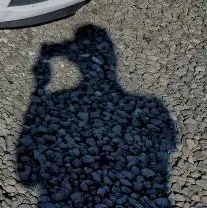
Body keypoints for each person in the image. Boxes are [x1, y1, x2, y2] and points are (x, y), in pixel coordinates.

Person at [16, 25, 177, 207]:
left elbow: (26, 177)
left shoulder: (55, 101)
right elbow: (169, 144)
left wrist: (40, 85)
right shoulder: (153, 106)